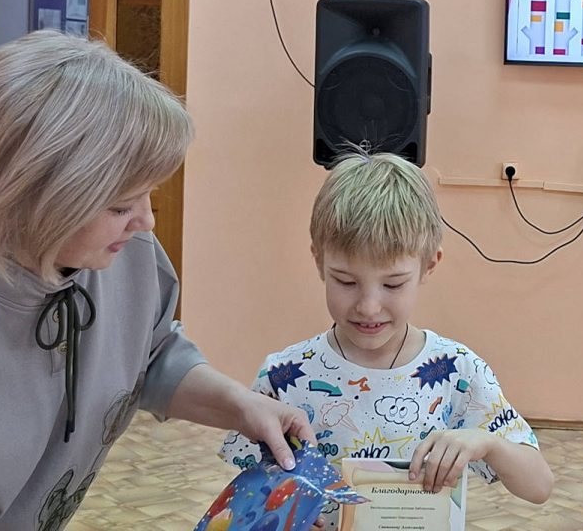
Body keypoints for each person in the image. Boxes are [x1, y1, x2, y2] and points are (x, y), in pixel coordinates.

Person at [0, 31, 313, 530]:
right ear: (36, 197)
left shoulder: (120, 250)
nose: (145, 222)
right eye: (120, 205)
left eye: (148, 194)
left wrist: (241, 406)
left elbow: (147, 353)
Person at [220, 150, 553, 529]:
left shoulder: (457, 371)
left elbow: (539, 486)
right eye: (346, 281)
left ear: (429, 265)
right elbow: (248, 503)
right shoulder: (284, 376)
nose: (368, 306)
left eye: (393, 284)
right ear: (319, 262)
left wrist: (487, 443)